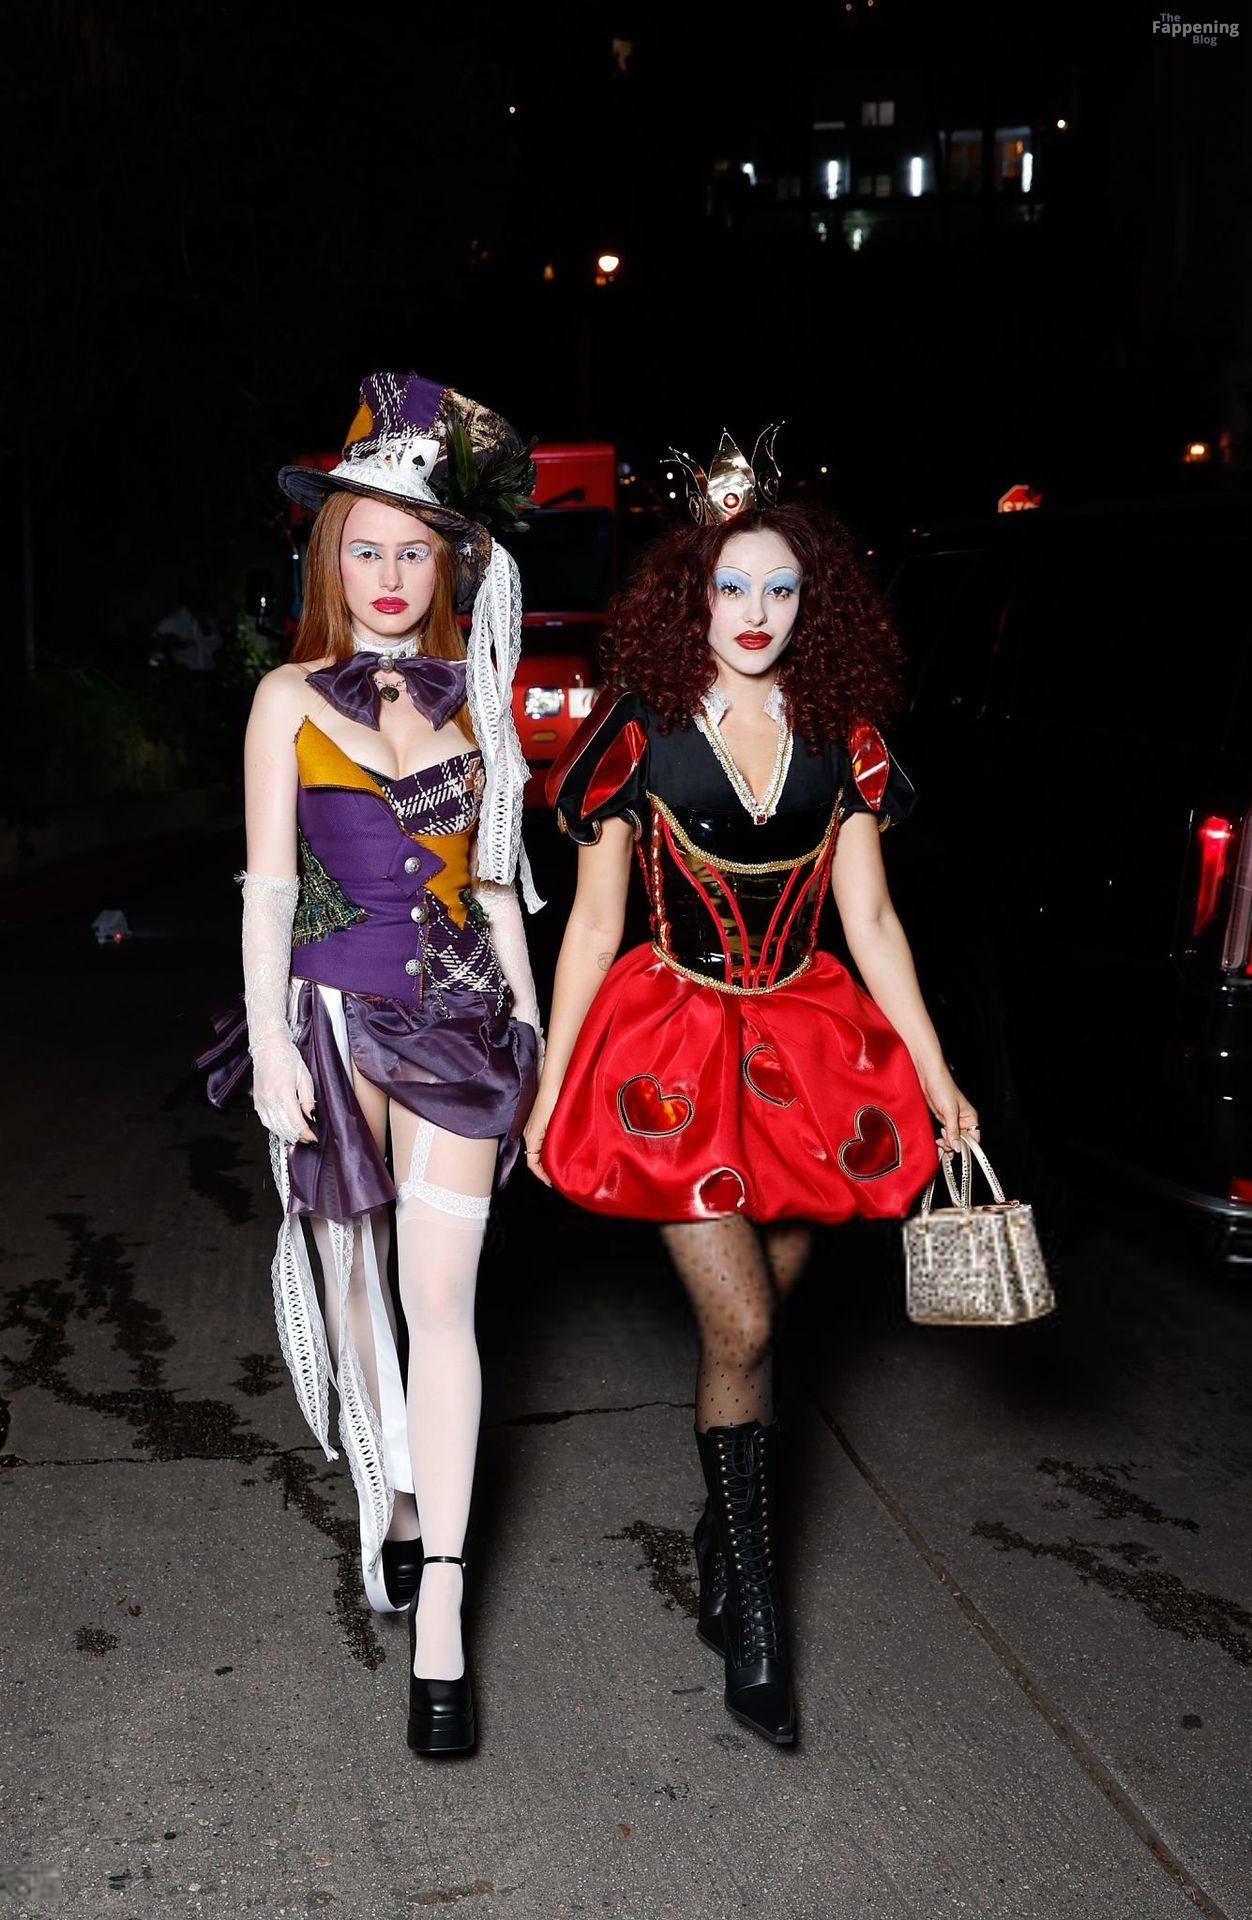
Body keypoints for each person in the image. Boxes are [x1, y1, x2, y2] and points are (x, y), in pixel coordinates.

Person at [524, 426, 976, 1747]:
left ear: (813, 601)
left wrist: (937, 1075)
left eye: (783, 587)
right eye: (734, 586)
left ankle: (725, 1535)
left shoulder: (845, 742)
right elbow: (593, 929)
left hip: (809, 1066)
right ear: (692, 595)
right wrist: (549, 1094)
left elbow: (871, 922)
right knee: (746, 1329)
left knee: (759, 1328)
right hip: (668, 1055)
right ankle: (760, 1624)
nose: (758, 612)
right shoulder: (638, 736)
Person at [197, 372, 543, 1756]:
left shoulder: (481, 709)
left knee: (441, 1304)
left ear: (449, 565)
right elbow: (269, 890)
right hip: (333, 1029)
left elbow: (500, 890)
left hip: (458, 1036)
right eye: (366, 549)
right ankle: (394, 1491)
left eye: (416, 551)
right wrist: (270, 1040)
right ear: (329, 560)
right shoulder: (285, 699)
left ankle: (444, 1600)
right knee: (356, 1300)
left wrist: (535, 1041)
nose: (391, 577)